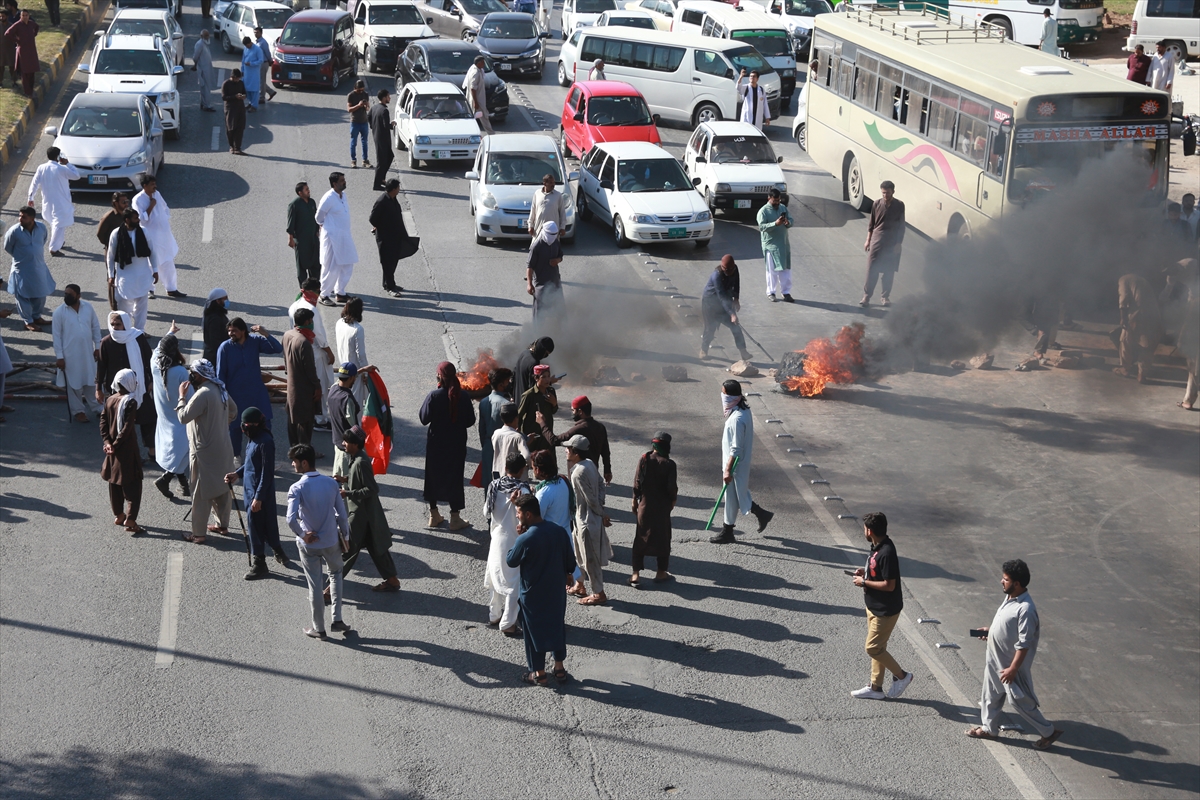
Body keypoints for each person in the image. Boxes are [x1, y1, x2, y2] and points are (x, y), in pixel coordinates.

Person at [966, 559, 1064, 750]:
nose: (1002, 582)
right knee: (990, 696)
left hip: (1010, 666)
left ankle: (1048, 732)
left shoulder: (1026, 609)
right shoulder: (1010, 597)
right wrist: (991, 631)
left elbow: (1024, 643)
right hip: (995, 660)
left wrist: (1013, 669)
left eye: (1005, 579)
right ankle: (989, 729)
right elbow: (1007, 627)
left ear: (1017, 583)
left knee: (1019, 701)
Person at [506, 493, 576, 686]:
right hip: (555, 591)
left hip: (533, 594)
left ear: (528, 515)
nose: (517, 516)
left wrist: (520, 537)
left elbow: (511, 560)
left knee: (532, 632)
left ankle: (539, 673)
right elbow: (570, 560)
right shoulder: (558, 531)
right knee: (556, 626)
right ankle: (559, 669)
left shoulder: (526, 538)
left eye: (519, 512)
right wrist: (568, 573)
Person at [286, 443, 352, 639]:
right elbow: (342, 515)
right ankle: (337, 619)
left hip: (310, 544)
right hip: (331, 541)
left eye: (295, 461)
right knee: (336, 575)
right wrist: (346, 537)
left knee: (314, 585)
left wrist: (302, 534)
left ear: (304, 463)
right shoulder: (331, 483)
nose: (292, 464)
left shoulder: (297, 487)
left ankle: (319, 628)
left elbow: (290, 519)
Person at [849, 512, 913, 700]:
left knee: (872, 648)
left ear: (869, 530)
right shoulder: (877, 546)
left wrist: (864, 583)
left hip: (885, 611)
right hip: (874, 606)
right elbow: (878, 571)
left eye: (864, 529)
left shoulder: (887, 552)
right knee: (879, 647)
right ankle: (875, 687)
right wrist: (866, 572)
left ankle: (902, 676)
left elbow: (889, 585)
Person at [177, 359, 238, 544]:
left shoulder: (202, 394)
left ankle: (198, 533)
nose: (191, 377)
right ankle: (222, 524)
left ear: (200, 375)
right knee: (222, 488)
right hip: (223, 447)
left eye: (193, 374)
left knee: (200, 492)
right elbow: (234, 412)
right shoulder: (220, 389)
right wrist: (219, 424)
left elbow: (183, 417)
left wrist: (181, 397)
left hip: (203, 452)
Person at [226, 407, 292, 579]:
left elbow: (266, 472)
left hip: (260, 493)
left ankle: (259, 563)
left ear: (256, 424)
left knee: (257, 526)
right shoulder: (253, 438)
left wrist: (259, 497)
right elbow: (250, 463)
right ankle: (279, 551)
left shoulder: (265, 442)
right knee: (263, 524)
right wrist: (237, 474)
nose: (244, 429)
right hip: (249, 491)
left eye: (246, 426)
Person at [336, 425, 400, 592]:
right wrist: (345, 478)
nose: (343, 443)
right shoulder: (357, 458)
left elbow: (371, 489)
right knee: (377, 548)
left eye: (346, 441)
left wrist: (347, 493)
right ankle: (392, 580)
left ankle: (331, 589)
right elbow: (359, 479)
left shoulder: (361, 462)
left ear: (355, 444)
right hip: (366, 516)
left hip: (360, 516)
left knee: (348, 551)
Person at [710, 379, 772, 543]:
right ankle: (760, 514)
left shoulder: (737, 419)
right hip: (736, 464)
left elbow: (736, 449)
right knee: (738, 495)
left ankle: (727, 531)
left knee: (732, 498)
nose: (722, 396)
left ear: (731, 396)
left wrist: (728, 470)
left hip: (735, 465)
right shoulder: (741, 410)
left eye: (724, 393)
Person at [419, 361, 476, 530]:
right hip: (456, 445)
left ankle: (434, 514)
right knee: (455, 478)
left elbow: (424, 418)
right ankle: (455, 518)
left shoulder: (434, 396)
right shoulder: (463, 396)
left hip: (436, 444)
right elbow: (470, 421)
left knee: (433, 476)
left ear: (439, 376)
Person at [216, 317, 283, 455]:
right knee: (235, 428)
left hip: (257, 393)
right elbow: (220, 375)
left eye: (234, 331)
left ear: (243, 331)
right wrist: (222, 396)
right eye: (229, 331)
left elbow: (277, 348)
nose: (230, 334)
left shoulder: (255, 341)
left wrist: (265, 334)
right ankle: (236, 457)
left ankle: (265, 456)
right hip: (235, 395)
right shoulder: (225, 347)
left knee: (265, 425)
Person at [96, 311, 156, 461]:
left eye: (118, 324)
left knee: (148, 418)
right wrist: (98, 389)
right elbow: (102, 367)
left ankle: (152, 451)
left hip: (139, 386)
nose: (115, 327)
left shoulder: (137, 337)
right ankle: (129, 456)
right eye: (112, 325)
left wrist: (150, 381)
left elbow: (149, 360)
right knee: (120, 424)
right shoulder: (106, 342)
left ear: (125, 324)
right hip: (118, 392)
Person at [485, 451, 530, 636]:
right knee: (513, 584)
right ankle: (507, 624)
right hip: (514, 540)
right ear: (521, 470)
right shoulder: (524, 491)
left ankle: (494, 614)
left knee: (496, 578)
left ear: (505, 468)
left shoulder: (494, 485)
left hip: (496, 537)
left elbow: (486, 512)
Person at [566, 434, 610, 606]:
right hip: (582, 519)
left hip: (586, 521)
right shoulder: (589, 464)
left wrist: (601, 512)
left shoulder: (578, 472)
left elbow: (590, 499)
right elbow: (600, 483)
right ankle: (579, 584)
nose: (566, 451)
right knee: (579, 554)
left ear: (576, 453)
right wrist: (601, 504)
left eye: (569, 449)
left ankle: (599, 593)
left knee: (590, 559)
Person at [629, 431, 677, 587]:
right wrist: (673, 501)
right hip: (662, 509)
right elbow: (671, 488)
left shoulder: (644, 459)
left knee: (641, 537)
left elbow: (637, 482)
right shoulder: (669, 464)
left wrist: (634, 501)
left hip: (644, 506)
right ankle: (661, 572)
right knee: (663, 539)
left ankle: (635, 574)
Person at [101, 369, 146, 535]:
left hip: (112, 452)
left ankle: (119, 515)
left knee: (114, 482)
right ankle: (131, 520)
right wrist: (116, 444)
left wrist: (108, 444)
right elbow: (127, 428)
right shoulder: (130, 402)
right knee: (133, 484)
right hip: (126, 450)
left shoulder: (110, 399)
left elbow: (103, 423)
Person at [51, 283, 102, 422]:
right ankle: (78, 411)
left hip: (87, 353)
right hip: (69, 356)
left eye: (70, 294)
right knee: (73, 385)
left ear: (78, 296)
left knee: (91, 381)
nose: (66, 297)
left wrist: (98, 347)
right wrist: (60, 357)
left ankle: (98, 408)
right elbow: (56, 337)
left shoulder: (88, 307)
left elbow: (95, 327)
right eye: (65, 294)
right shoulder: (59, 312)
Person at [151, 324, 192, 498]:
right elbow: (191, 397)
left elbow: (159, 348)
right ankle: (166, 479)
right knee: (185, 450)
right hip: (180, 415)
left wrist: (170, 332)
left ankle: (183, 485)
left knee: (180, 451)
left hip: (164, 415)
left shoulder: (155, 363)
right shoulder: (180, 372)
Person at [537, 394, 611, 484]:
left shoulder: (580, 429)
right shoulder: (600, 427)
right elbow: (605, 451)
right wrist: (607, 471)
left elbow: (554, 440)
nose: (572, 413)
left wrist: (542, 423)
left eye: (573, 410)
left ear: (580, 411)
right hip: (593, 472)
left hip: (580, 474)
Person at [289, 278, 335, 421]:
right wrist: (329, 351)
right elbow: (319, 334)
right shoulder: (311, 309)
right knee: (319, 386)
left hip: (302, 350)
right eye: (317, 291)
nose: (318, 294)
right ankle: (320, 419)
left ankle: (314, 416)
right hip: (315, 352)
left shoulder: (294, 305)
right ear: (310, 291)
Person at [132, 174, 185, 298]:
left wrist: (164, 220)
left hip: (164, 235)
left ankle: (171, 288)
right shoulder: (138, 200)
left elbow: (165, 208)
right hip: (150, 237)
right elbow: (140, 219)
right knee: (151, 263)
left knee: (167, 262)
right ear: (144, 186)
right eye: (152, 184)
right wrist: (151, 206)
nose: (155, 186)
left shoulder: (157, 194)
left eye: (155, 184)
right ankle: (149, 289)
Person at [3, 206, 53, 331]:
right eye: (20, 216)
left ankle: (37, 317)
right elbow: (7, 247)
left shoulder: (41, 228)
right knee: (22, 296)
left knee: (40, 294)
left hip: (38, 267)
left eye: (24, 217)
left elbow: (43, 240)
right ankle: (28, 321)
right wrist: (23, 256)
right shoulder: (14, 231)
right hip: (21, 269)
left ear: (32, 218)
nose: (20, 219)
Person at [106, 209, 156, 330]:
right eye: (135, 218)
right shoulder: (116, 234)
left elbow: (152, 252)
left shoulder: (143, 232)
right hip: (125, 277)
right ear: (127, 220)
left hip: (143, 276)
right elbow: (111, 256)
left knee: (141, 308)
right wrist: (111, 275)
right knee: (124, 307)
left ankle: (139, 331)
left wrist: (155, 270)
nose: (138, 220)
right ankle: (126, 331)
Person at [860, 180, 906, 308]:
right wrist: (868, 240)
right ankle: (866, 296)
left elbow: (901, 226)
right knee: (871, 268)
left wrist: (898, 243)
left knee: (889, 270)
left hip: (892, 242)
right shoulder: (876, 203)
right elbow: (871, 224)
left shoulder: (899, 205)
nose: (885, 195)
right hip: (877, 240)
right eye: (883, 193)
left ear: (893, 192)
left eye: (888, 193)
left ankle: (885, 297)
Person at [27, 147, 79, 256]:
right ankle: (54, 248)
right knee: (58, 224)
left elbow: (34, 183)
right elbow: (76, 176)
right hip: (60, 202)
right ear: (58, 156)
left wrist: (31, 197)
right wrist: (68, 164)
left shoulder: (42, 168)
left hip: (48, 201)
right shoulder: (62, 169)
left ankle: (59, 242)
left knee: (55, 224)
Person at [316, 171, 359, 305]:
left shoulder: (343, 195)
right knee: (331, 267)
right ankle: (323, 295)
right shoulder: (328, 198)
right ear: (334, 184)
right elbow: (318, 217)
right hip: (332, 238)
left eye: (344, 180)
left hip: (345, 236)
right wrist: (328, 227)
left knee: (347, 264)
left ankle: (340, 292)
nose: (344, 182)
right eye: (341, 180)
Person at [701, 255, 753, 361]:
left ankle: (743, 351)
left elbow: (737, 283)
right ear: (722, 266)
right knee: (710, 328)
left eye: (730, 269)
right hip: (711, 303)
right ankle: (703, 350)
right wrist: (732, 314)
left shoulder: (735, 269)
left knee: (736, 327)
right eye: (726, 269)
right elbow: (721, 296)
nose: (728, 272)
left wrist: (736, 298)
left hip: (726, 301)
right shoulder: (717, 276)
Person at [368, 179, 414, 297]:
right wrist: (381, 227)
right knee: (387, 262)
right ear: (393, 189)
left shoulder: (393, 199)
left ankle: (388, 283)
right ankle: (390, 287)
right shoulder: (382, 201)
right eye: (398, 187)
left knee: (393, 260)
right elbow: (373, 219)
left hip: (395, 236)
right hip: (386, 237)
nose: (399, 189)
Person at [283, 307, 322, 448]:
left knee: (293, 422)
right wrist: (317, 386)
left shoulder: (288, 334)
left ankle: (294, 450)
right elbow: (310, 369)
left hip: (292, 387)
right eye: (311, 320)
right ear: (307, 321)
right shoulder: (304, 342)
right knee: (305, 424)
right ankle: (304, 453)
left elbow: (286, 361)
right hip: (304, 390)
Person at [1114, 273, 1163, 383]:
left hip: (1138, 314)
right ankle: (1142, 375)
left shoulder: (1123, 279)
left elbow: (1123, 299)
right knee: (1146, 344)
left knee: (1125, 339)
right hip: (1154, 315)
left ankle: (1125, 369)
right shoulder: (1141, 280)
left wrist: (1123, 318)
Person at [757, 188, 792, 302]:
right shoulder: (763, 211)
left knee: (785, 269)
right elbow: (762, 227)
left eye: (778, 200)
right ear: (769, 198)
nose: (777, 202)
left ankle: (786, 292)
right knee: (772, 271)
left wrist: (787, 222)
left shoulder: (782, 208)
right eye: (775, 200)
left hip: (783, 245)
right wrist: (775, 224)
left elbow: (791, 220)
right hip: (770, 246)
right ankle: (771, 292)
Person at [328, 362, 363, 478]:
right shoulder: (347, 399)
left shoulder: (333, 389)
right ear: (352, 378)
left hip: (337, 444)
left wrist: (363, 370)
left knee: (337, 479)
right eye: (355, 377)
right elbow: (353, 427)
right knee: (347, 484)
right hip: (348, 450)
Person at [478, 367, 514, 480]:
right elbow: (513, 429)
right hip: (503, 447)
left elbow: (481, 429)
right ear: (501, 384)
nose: (509, 383)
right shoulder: (507, 405)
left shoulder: (483, 402)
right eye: (507, 381)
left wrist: (485, 445)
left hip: (488, 445)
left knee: (488, 483)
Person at [335, 296, 369, 406]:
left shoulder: (339, 322)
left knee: (344, 401)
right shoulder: (357, 329)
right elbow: (361, 354)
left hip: (343, 368)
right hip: (355, 372)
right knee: (355, 403)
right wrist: (365, 372)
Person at [526, 221, 564, 318]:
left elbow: (560, 255)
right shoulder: (536, 246)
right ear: (544, 232)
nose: (553, 237)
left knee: (558, 311)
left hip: (555, 282)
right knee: (540, 313)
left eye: (555, 234)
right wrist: (529, 284)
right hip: (541, 284)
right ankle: (538, 332)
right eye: (551, 234)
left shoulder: (555, 241)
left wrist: (557, 260)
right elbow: (529, 266)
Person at [517, 364, 557, 452]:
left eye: (548, 376)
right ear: (536, 378)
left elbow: (553, 411)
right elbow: (519, 415)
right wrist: (519, 434)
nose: (547, 379)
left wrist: (554, 403)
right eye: (543, 377)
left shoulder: (551, 391)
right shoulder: (529, 395)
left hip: (547, 434)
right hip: (533, 436)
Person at [287, 182, 321, 287]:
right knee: (302, 266)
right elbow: (291, 223)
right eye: (306, 189)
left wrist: (317, 231)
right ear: (300, 193)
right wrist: (290, 239)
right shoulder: (294, 205)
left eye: (308, 188)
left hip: (313, 239)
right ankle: (304, 288)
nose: (309, 191)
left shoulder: (312, 202)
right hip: (301, 241)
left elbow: (316, 217)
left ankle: (314, 286)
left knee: (316, 264)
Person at [492, 401, 530, 478]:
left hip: (498, 475)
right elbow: (527, 457)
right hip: (514, 479)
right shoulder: (517, 437)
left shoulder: (496, 433)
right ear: (516, 418)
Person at [4, 8, 38, 96]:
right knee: (25, 72)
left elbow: (37, 27)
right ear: (20, 16)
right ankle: (27, 91)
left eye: (26, 15)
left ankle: (31, 90)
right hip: (22, 51)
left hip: (31, 50)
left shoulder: (31, 24)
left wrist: (33, 35)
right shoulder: (18, 25)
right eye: (23, 15)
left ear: (29, 16)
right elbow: (7, 33)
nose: (25, 17)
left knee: (32, 71)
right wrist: (17, 41)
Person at [527, 174, 568, 241]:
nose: (553, 184)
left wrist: (562, 227)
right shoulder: (537, 193)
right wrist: (530, 226)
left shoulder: (558, 195)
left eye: (554, 182)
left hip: (553, 231)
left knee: (552, 249)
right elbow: (533, 210)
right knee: (537, 249)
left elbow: (562, 213)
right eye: (551, 183)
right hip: (538, 229)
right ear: (545, 183)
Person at [367, 88, 394, 190]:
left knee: (389, 157)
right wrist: (391, 125)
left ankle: (382, 178)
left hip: (377, 137)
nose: (389, 98)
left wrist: (373, 126)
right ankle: (376, 184)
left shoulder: (374, 108)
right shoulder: (384, 111)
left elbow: (368, 117)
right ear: (383, 98)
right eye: (388, 96)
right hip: (383, 139)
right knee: (381, 162)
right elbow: (385, 126)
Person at [513, 336, 554, 401]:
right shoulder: (534, 363)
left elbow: (514, 375)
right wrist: (549, 381)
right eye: (546, 353)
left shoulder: (524, 353)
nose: (545, 356)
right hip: (526, 403)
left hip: (518, 398)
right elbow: (534, 388)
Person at [463, 55, 493, 136]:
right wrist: (476, 102)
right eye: (483, 62)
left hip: (478, 99)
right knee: (484, 117)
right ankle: (491, 134)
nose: (484, 64)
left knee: (472, 118)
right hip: (477, 100)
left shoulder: (478, 70)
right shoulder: (475, 72)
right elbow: (473, 88)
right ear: (479, 63)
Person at [346, 79, 371, 168]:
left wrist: (366, 105)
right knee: (353, 142)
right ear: (355, 88)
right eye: (359, 90)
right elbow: (349, 109)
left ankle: (365, 160)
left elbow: (368, 108)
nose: (361, 92)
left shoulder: (365, 94)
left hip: (364, 121)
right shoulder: (351, 95)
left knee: (365, 142)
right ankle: (353, 160)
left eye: (362, 90)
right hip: (355, 122)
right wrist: (358, 105)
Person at [222, 69, 248, 154]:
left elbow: (244, 92)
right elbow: (224, 97)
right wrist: (234, 96)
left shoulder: (240, 83)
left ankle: (238, 147)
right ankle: (231, 146)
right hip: (230, 109)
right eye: (237, 78)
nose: (238, 80)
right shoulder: (226, 84)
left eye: (239, 78)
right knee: (231, 128)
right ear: (232, 77)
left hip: (240, 108)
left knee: (240, 128)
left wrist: (243, 96)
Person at [201, 288, 229, 363]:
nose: (227, 301)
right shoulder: (215, 319)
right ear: (218, 301)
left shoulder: (212, 313)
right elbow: (215, 341)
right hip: (215, 357)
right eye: (225, 299)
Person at [192, 29, 217, 111]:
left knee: (205, 87)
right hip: (203, 69)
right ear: (201, 36)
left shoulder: (205, 44)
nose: (207, 37)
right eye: (206, 35)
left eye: (208, 35)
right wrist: (195, 65)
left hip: (207, 68)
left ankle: (203, 103)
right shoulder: (200, 44)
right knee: (205, 88)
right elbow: (195, 57)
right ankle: (207, 105)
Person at [240, 36, 264, 110]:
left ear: (250, 42)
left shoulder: (257, 49)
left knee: (254, 89)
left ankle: (254, 106)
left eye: (247, 45)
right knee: (247, 89)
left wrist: (251, 63)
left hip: (254, 73)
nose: (247, 47)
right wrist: (242, 70)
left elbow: (261, 60)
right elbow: (243, 60)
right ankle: (250, 103)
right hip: (247, 73)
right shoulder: (245, 49)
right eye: (246, 46)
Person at [253, 26, 274, 102]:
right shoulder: (257, 42)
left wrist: (270, 61)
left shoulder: (263, 42)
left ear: (261, 33)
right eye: (255, 33)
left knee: (261, 80)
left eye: (257, 32)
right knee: (259, 80)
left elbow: (267, 53)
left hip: (264, 63)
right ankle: (271, 92)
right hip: (259, 63)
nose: (256, 34)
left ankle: (262, 98)